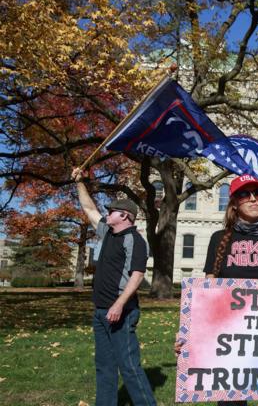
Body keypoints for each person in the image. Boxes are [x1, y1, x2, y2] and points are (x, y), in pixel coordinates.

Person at [175, 174, 258, 406]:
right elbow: (206, 295)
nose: (253, 199)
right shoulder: (219, 239)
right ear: (234, 203)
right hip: (229, 347)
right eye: (244, 194)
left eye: (257, 193)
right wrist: (188, 334)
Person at [72, 168, 156, 406]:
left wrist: (119, 305)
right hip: (100, 311)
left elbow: (137, 276)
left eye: (111, 211)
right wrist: (79, 182)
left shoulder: (136, 240)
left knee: (129, 367)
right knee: (104, 367)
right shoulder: (107, 232)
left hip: (122, 312)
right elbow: (89, 208)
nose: (106, 213)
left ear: (125, 216)